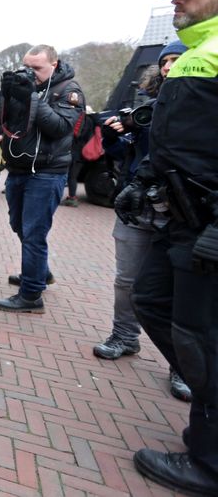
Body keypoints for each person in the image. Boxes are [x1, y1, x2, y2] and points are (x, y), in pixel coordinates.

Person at [116, 0, 218, 495]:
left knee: (202, 335)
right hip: (179, 219)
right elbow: (179, 134)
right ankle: (208, 397)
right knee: (152, 301)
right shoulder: (195, 54)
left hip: (208, 230)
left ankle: (208, 461)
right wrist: (146, 176)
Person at [93, 41, 191, 402]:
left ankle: (182, 366)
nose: (168, 67)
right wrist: (115, 135)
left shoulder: (200, 106)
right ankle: (123, 336)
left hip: (181, 210)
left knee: (179, 289)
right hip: (138, 203)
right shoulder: (143, 105)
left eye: (177, 61)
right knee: (127, 279)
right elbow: (125, 155)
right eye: (165, 62)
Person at [0, 44, 84, 313]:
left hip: (47, 172)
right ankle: (39, 273)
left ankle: (31, 296)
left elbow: (60, 128)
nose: (30, 72)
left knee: (33, 233)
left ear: (54, 64)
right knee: (19, 225)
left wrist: (32, 98)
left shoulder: (68, 90)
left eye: (37, 68)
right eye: (27, 66)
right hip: (18, 170)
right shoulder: (23, 85)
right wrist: (4, 94)